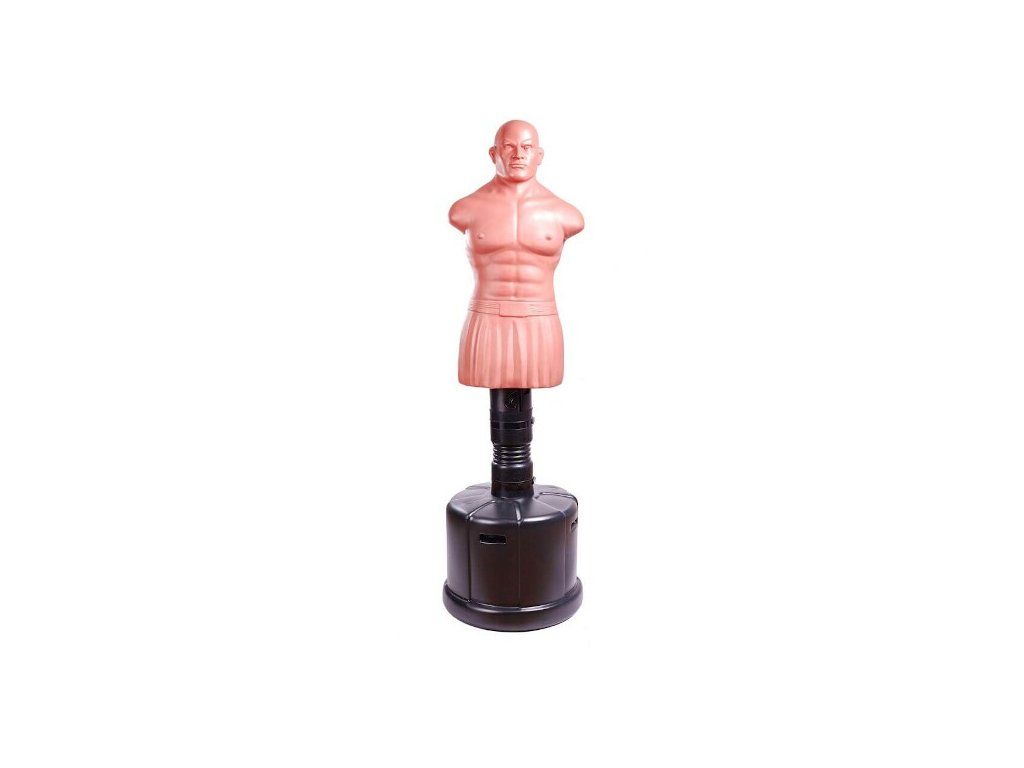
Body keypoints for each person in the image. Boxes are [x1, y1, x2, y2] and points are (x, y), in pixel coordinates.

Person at [449, 120, 584, 389]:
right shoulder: (464, 209)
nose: (518, 154)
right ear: (493, 153)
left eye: (527, 147)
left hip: (540, 320)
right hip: (486, 318)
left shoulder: (566, 214)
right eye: (509, 146)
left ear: (539, 155)